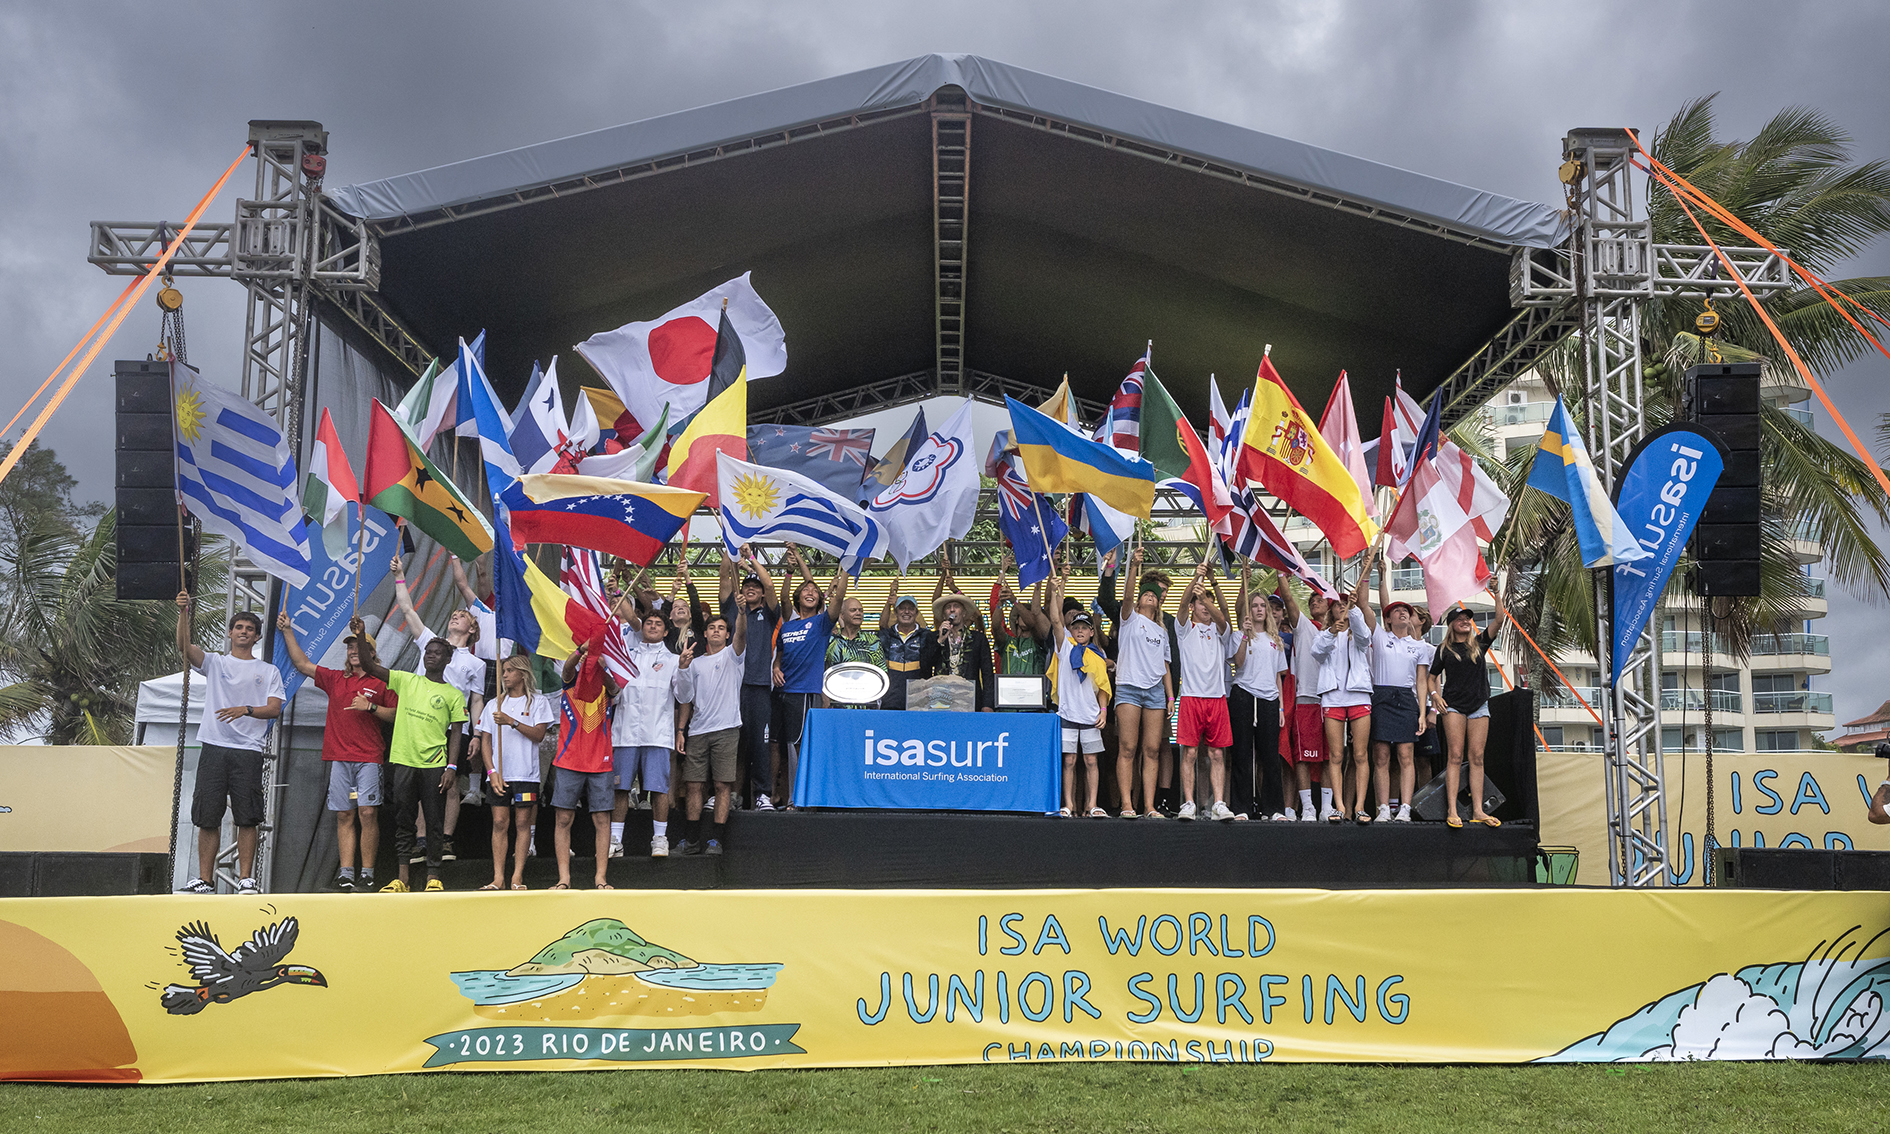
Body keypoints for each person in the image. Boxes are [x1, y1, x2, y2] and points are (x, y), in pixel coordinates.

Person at [174, 592, 284, 895]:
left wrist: (246, 709)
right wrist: (184, 612)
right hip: (213, 744)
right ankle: (205, 880)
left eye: (250, 628)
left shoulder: (268, 671)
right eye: (239, 627)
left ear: (257, 636)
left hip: (248, 749)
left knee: (247, 815)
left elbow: (274, 708)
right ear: (230, 632)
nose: (244, 632)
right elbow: (185, 647)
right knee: (207, 814)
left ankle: (246, 879)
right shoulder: (216, 663)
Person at [276, 612, 390, 892]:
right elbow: (302, 664)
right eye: (349, 647)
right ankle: (346, 873)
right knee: (343, 814)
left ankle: (368, 873)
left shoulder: (382, 682)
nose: (353, 651)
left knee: (367, 813)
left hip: (368, 758)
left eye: (359, 647)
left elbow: (397, 715)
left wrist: (372, 707)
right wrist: (288, 631)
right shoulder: (336, 678)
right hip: (340, 758)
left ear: (372, 654)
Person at [392, 552, 490, 863]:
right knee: (422, 786)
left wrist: (476, 735)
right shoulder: (431, 642)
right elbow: (407, 609)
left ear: (473, 629)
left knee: (449, 785)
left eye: (463, 616)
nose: (455, 616)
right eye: (454, 614)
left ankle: (445, 840)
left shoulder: (475, 662)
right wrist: (399, 576)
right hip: (420, 724)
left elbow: (476, 700)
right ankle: (421, 840)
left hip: (453, 729)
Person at [359, 634, 467, 892]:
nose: (430, 655)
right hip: (404, 760)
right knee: (404, 820)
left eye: (437, 652)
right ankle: (402, 879)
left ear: (448, 659)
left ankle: (433, 877)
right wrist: (360, 637)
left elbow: (456, 733)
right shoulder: (406, 680)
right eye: (428, 651)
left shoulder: (453, 694)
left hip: (434, 764)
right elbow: (370, 667)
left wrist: (451, 767)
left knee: (434, 820)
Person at [610, 609, 687, 857]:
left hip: (657, 733)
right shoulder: (625, 657)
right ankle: (615, 840)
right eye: (649, 623)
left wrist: (684, 669)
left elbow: (684, 696)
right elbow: (613, 695)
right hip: (625, 733)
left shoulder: (675, 660)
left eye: (658, 624)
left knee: (659, 789)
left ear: (666, 631)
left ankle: (660, 839)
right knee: (620, 789)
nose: (652, 626)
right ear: (642, 628)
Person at [478, 656, 556, 888]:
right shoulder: (494, 704)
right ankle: (498, 877)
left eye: (510, 670)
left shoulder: (538, 703)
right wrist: (491, 771)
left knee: (523, 824)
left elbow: (539, 735)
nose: (504, 675)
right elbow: (485, 741)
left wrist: (512, 722)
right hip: (500, 774)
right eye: (504, 670)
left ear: (523, 674)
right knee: (500, 822)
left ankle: (517, 876)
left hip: (526, 774)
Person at [773, 546, 844, 800]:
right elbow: (779, 653)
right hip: (783, 692)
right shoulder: (789, 625)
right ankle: (786, 795)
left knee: (802, 746)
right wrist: (775, 666)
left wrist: (845, 569)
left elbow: (838, 600)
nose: (810, 592)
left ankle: (801, 797)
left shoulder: (822, 623)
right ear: (797, 598)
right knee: (783, 747)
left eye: (815, 591)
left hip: (805, 692)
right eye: (806, 590)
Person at [676, 610, 748, 855]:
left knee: (722, 786)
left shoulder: (733, 655)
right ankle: (692, 840)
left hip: (726, 729)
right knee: (693, 785)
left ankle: (716, 840)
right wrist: (683, 668)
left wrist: (741, 613)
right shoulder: (694, 662)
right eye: (712, 628)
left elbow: (742, 634)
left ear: (728, 635)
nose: (716, 631)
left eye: (721, 628)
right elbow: (685, 697)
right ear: (704, 633)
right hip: (697, 731)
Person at [1369, 549, 1433, 823]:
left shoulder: (1419, 646)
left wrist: (1422, 712)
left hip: (1407, 700)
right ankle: (1383, 807)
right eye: (1397, 611)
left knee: (1406, 753)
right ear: (1389, 618)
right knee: (1381, 754)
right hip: (1381, 696)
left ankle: (1405, 807)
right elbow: (1373, 604)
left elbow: (1421, 681)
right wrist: (1380, 576)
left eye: (1405, 611)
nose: (1402, 613)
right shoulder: (1380, 637)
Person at [552, 629, 620, 889]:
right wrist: (581, 650)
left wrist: (601, 667)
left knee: (602, 820)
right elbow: (567, 669)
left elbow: (614, 688)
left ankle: (600, 878)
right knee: (563, 819)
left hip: (600, 762)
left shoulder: (606, 686)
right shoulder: (571, 683)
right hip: (569, 760)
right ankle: (564, 879)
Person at [1111, 546, 1173, 819]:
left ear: (1159, 603)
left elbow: (1165, 667)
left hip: (1156, 692)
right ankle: (1127, 804)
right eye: (1145, 593)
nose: (1150, 595)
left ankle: (1149, 806)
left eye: (1154, 595)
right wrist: (1134, 566)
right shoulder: (1129, 619)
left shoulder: (1162, 630)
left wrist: (1171, 697)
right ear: (1138, 600)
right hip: (1129, 688)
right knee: (1127, 747)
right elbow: (1125, 596)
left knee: (1152, 749)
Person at [1312, 562, 1375, 824]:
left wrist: (1357, 609)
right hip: (1333, 696)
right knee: (1336, 755)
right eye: (1338, 603)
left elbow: (1365, 638)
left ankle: (1359, 806)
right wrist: (1330, 632)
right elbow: (1317, 653)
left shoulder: (1357, 630)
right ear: (1331, 609)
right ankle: (1338, 806)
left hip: (1359, 695)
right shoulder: (1325, 633)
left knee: (1360, 754)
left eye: (1345, 602)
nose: (1341, 606)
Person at [1174, 565, 1237, 821]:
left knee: (1217, 753)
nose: (1205, 607)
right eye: (1200, 604)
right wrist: (1196, 578)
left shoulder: (1220, 631)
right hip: (1190, 697)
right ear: (1193, 607)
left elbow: (1224, 619)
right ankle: (1188, 803)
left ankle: (1219, 803)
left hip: (1217, 698)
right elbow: (1181, 604)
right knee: (1189, 753)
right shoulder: (1185, 629)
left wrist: (1210, 589)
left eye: (1208, 604)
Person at [719, 546, 780, 810]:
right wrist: (729, 545)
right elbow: (724, 576)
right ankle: (731, 795)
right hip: (731, 688)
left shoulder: (769, 612)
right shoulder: (733, 606)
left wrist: (753, 559)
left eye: (755, 587)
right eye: (746, 586)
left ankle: (763, 794)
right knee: (732, 744)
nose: (750, 588)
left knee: (760, 744)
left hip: (759, 687)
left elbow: (768, 582)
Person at [1048, 565, 1110, 818]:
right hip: (1068, 714)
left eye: (1085, 627)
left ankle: (1092, 804)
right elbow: (1054, 619)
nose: (1081, 630)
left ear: (1092, 631)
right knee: (1070, 760)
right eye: (1076, 627)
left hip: (1091, 715)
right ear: (1071, 630)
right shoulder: (1065, 648)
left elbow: (1103, 687)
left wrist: (1104, 710)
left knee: (1092, 761)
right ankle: (1069, 805)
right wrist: (1057, 589)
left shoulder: (1097, 656)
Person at [1279, 582, 1341, 822]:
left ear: (1332, 606)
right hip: (1307, 697)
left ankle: (1326, 807)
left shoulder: (1342, 631)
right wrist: (1282, 575)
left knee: (1330, 756)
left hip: (1335, 700)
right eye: (1311, 599)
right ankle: (1308, 808)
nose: (1314, 601)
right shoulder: (1304, 626)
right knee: (1303, 756)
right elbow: (1288, 599)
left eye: (1320, 599)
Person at [1435, 605, 1501, 828]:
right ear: (1452, 624)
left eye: (1467, 618)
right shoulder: (1444, 649)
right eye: (1460, 618)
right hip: (1453, 706)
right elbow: (1431, 675)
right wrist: (1435, 696)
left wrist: (1498, 594)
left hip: (1479, 705)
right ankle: (1452, 810)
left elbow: (1499, 620)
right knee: (1455, 755)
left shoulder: (1479, 643)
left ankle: (1478, 810)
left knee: (1477, 757)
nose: (1465, 621)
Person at [1230, 573, 1290, 821]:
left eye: (1262, 606)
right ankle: (1241, 807)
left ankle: (1273, 808)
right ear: (1248, 610)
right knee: (1242, 753)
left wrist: (1280, 709)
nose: (1259, 609)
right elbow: (1239, 663)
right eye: (1254, 606)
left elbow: (1278, 676)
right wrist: (1244, 635)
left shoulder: (1276, 640)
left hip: (1269, 700)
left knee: (1270, 756)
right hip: (1243, 696)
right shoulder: (1239, 635)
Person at [924, 558, 996, 710]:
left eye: (956, 606)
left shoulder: (978, 639)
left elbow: (988, 674)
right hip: (940, 699)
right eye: (948, 607)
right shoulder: (933, 637)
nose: (951, 610)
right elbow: (924, 667)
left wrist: (988, 704)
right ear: (943, 614)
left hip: (970, 699)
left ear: (964, 613)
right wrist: (940, 640)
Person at [992, 550, 1054, 676]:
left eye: (1030, 614)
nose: (1027, 617)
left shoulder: (1038, 641)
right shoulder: (1006, 642)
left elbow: (1032, 623)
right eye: (1023, 615)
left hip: (1033, 694)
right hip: (1008, 694)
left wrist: (1014, 600)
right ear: (1016, 619)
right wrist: (1000, 604)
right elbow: (996, 626)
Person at [878, 577, 931, 710]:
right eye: (902, 609)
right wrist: (888, 601)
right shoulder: (886, 636)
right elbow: (882, 625)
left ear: (916, 613)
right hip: (890, 700)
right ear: (895, 612)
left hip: (919, 700)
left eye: (910, 609)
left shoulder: (926, 636)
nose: (906, 612)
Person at [825, 591, 886, 705]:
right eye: (853, 610)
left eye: (860, 610)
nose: (858, 613)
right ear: (842, 615)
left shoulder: (872, 641)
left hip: (866, 704)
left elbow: (881, 673)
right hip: (836, 704)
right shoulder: (831, 641)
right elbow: (822, 671)